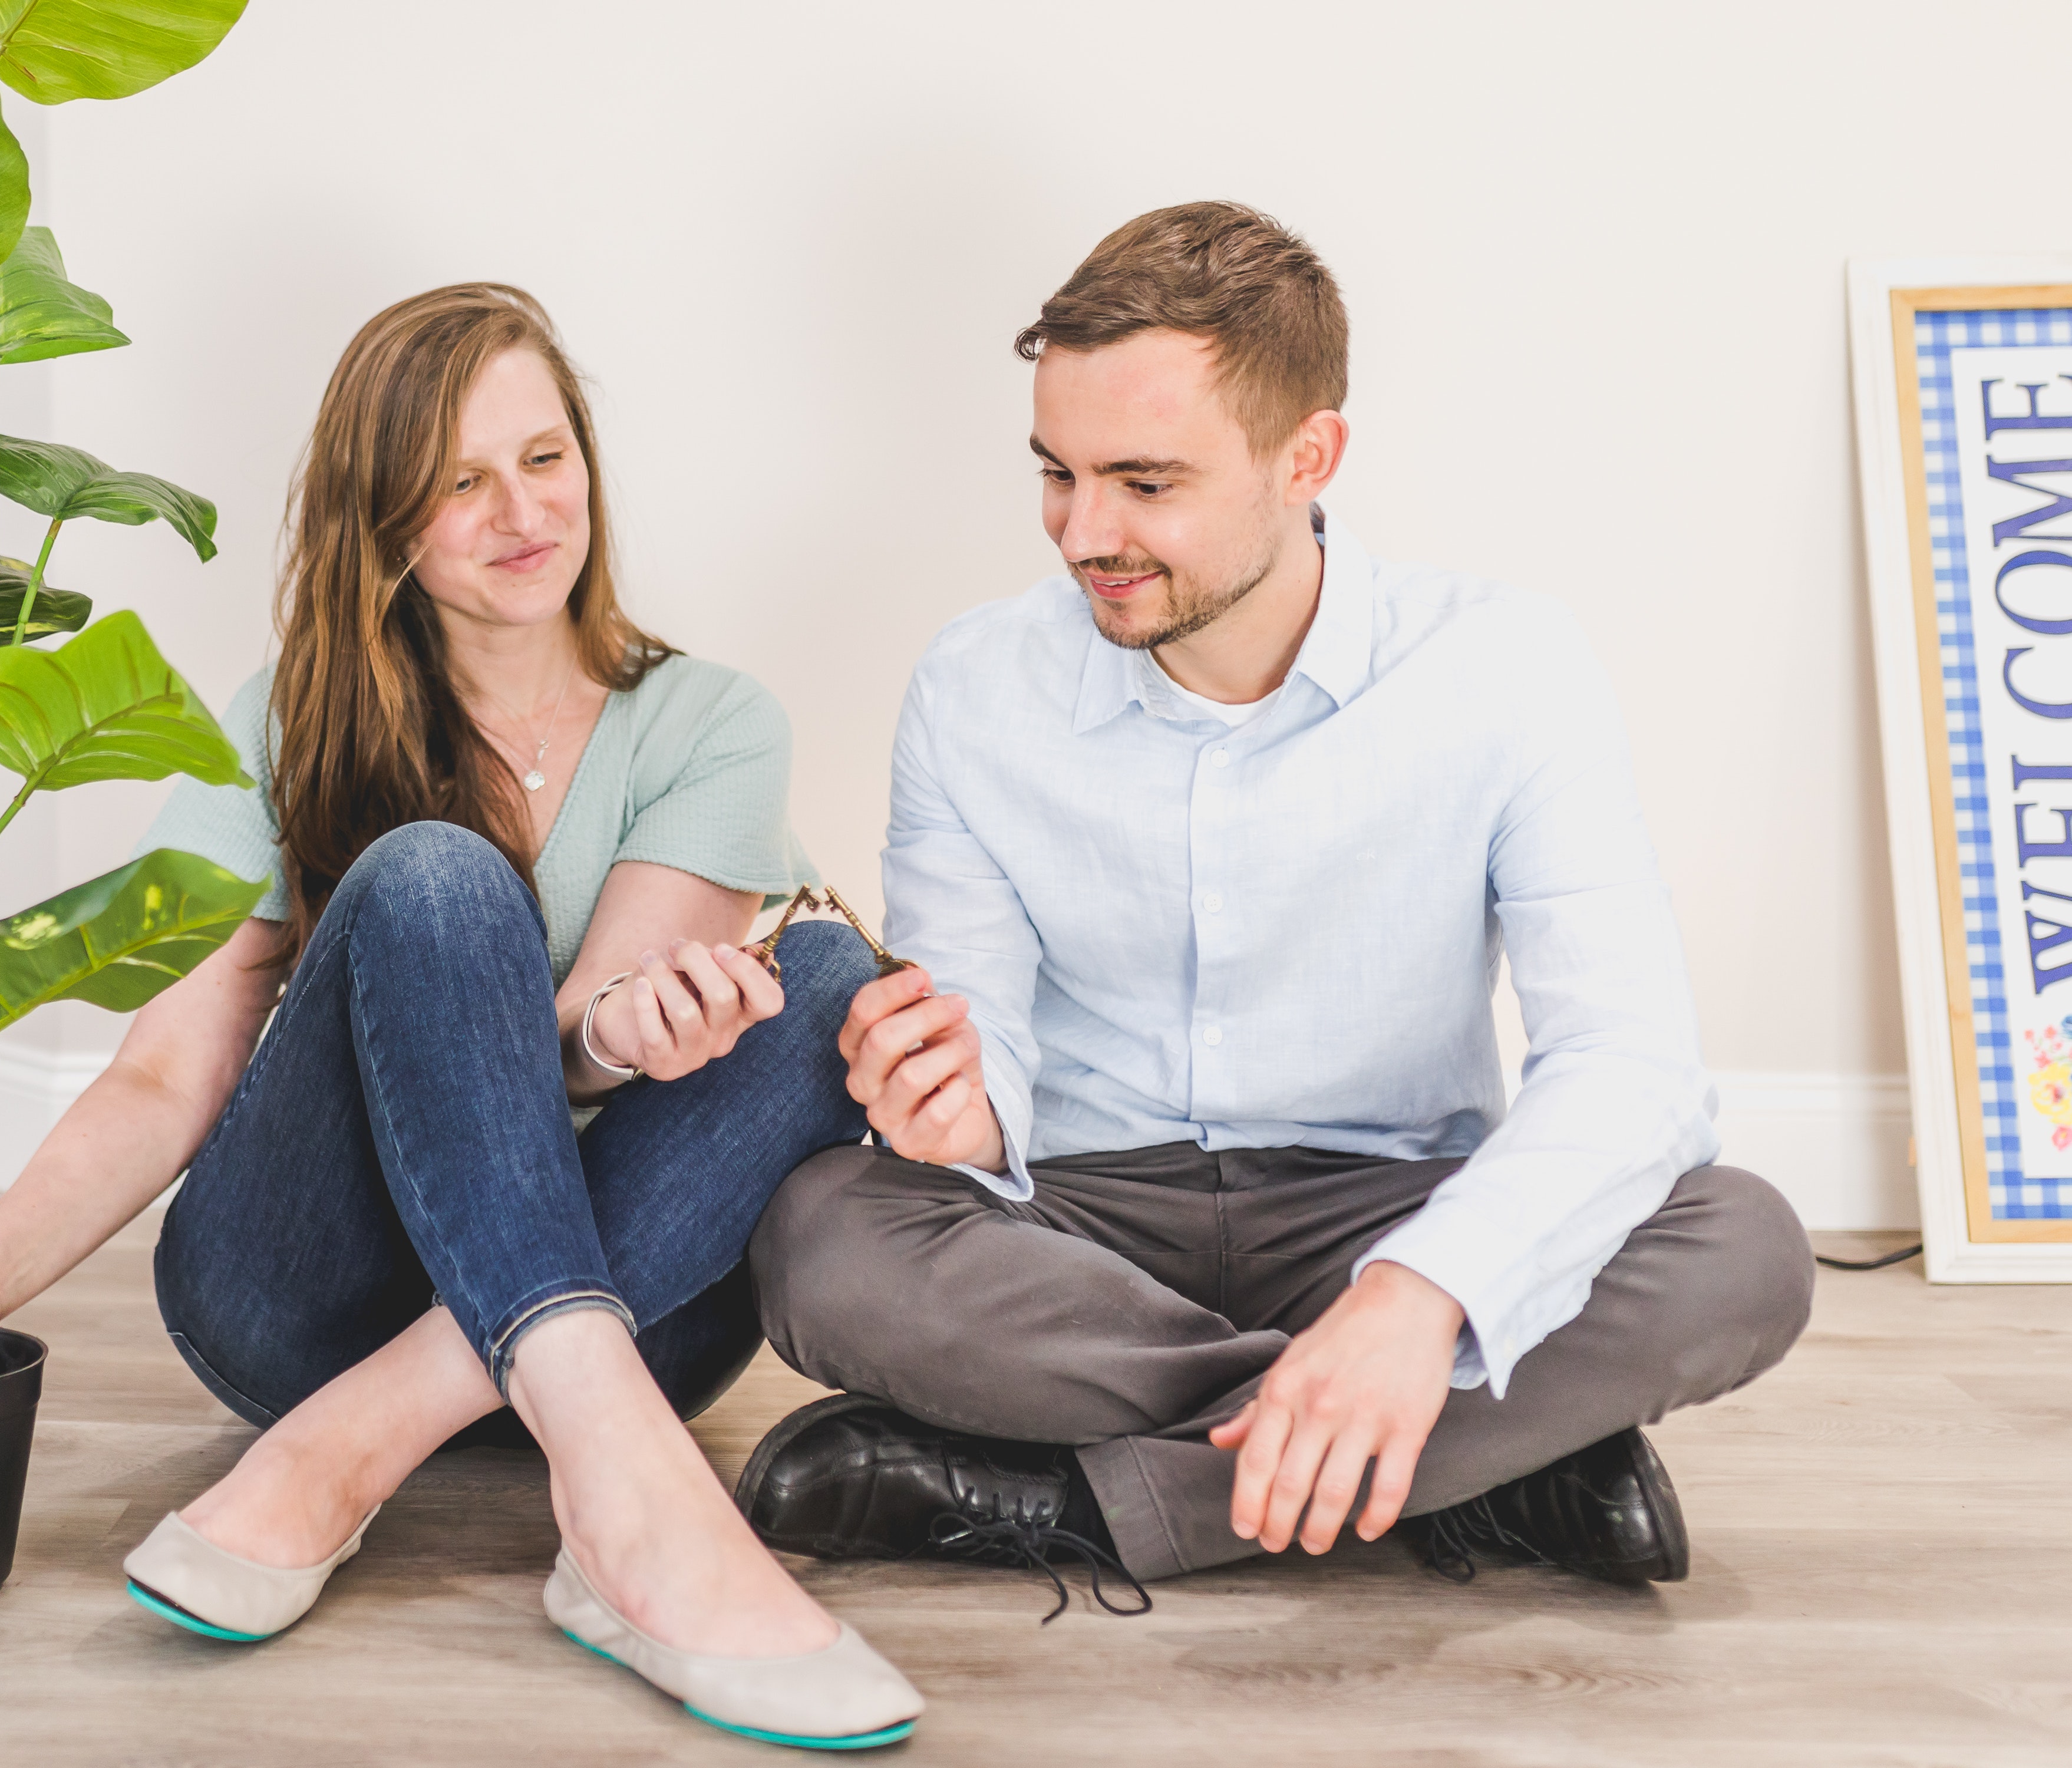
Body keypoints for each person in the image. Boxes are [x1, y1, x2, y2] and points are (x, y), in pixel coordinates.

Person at [0, 285, 921, 1749]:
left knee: (830, 980)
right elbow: (168, 1073)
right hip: (303, 1301)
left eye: (544, 458)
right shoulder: (284, 721)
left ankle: (349, 1447)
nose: (522, 512)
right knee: (435, 877)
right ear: (383, 523)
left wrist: (626, 1039)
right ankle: (623, 1513)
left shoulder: (711, 720)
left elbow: (585, 1033)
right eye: (459, 483)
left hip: (633, 1313)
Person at [734, 204, 1816, 1611]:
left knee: (1745, 1246)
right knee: (823, 1235)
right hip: (1084, 1230)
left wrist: (1419, 1301)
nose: (1083, 532)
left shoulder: (1507, 669)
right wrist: (961, 1105)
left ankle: (1074, 1500)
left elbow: (1632, 1066)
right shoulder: (973, 686)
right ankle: (1477, 1464)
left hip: (1390, 1207)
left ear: (1307, 458)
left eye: (1144, 481)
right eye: (1057, 474)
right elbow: (979, 1027)